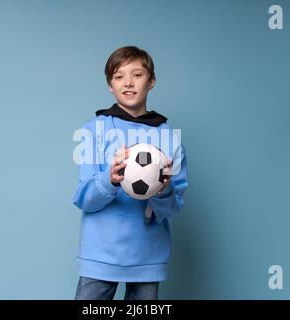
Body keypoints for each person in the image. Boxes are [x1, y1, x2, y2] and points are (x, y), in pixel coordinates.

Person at [72, 46, 188, 300]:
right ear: (110, 86)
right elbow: (84, 199)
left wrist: (163, 189)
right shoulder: (94, 130)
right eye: (119, 76)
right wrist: (109, 179)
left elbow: (171, 208)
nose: (128, 83)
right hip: (100, 256)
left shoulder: (169, 137)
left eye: (137, 75)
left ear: (152, 81)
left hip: (148, 257)